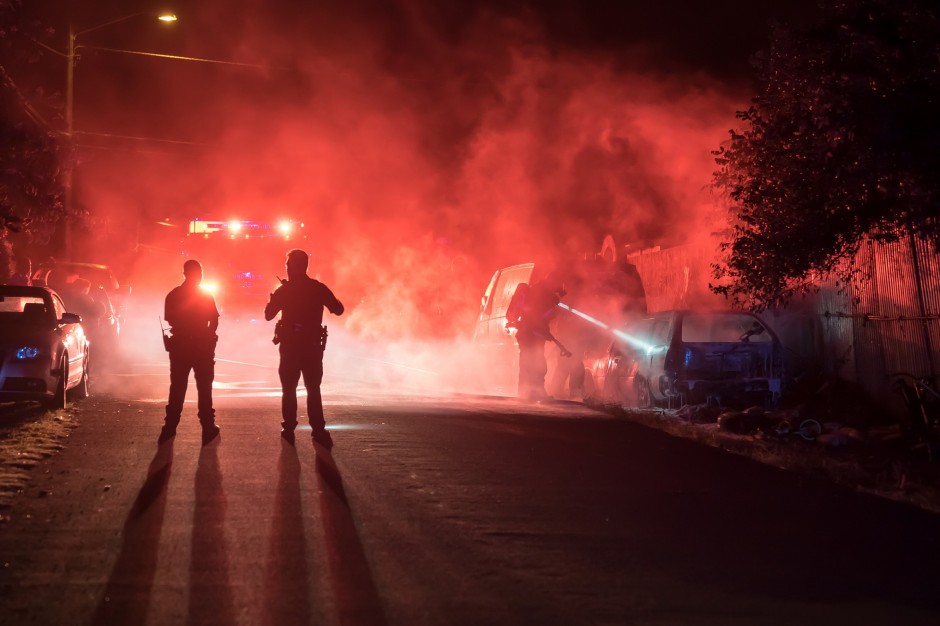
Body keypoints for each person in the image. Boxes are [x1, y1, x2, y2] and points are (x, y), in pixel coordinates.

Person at [264, 249, 344, 447]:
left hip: (291, 348)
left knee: (289, 389)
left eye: (288, 265)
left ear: (294, 266)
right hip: (311, 348)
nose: (287, 268)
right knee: (313, 388)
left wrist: (274, 298)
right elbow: (338, 309)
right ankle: (318, 429)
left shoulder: (284, 291)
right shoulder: (318, 288)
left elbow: (268, 315)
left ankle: (289, 428)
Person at [159, 259, 220, 445]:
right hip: (202, 346)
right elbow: (214, 320)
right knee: (204, 388)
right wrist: (208, 335)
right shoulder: (206, 295)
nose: (200, 276)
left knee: (177, 387)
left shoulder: (174, 295)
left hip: (180, 345)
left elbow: (169, 319)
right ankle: (208, 427)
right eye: (199, 273)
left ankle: (169, 428)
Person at [510, 273, 568, 401]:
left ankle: (526, 393)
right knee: (536, 364)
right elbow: (540, 316)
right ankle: (533, 392)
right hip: (531, 333)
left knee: (530, 363)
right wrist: (553, 309)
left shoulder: (540, 290)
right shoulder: (543, 293)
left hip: (530, 333)